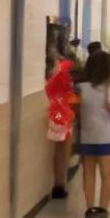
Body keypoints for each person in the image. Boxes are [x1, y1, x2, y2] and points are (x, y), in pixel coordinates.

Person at [76, 50, 110, 218]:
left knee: (88, 173)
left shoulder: (80, 87)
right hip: (108, 136)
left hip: (87, 136)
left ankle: (90, 209)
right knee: (107, 174)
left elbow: (74, 112)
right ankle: (103, 209)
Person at [45, 57, 77, 199]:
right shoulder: (65, 78)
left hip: (57, 115)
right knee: (63, 150)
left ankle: (59, 184)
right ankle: (60, 184)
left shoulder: (53, 80)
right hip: (63, 116)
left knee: (59, 151)